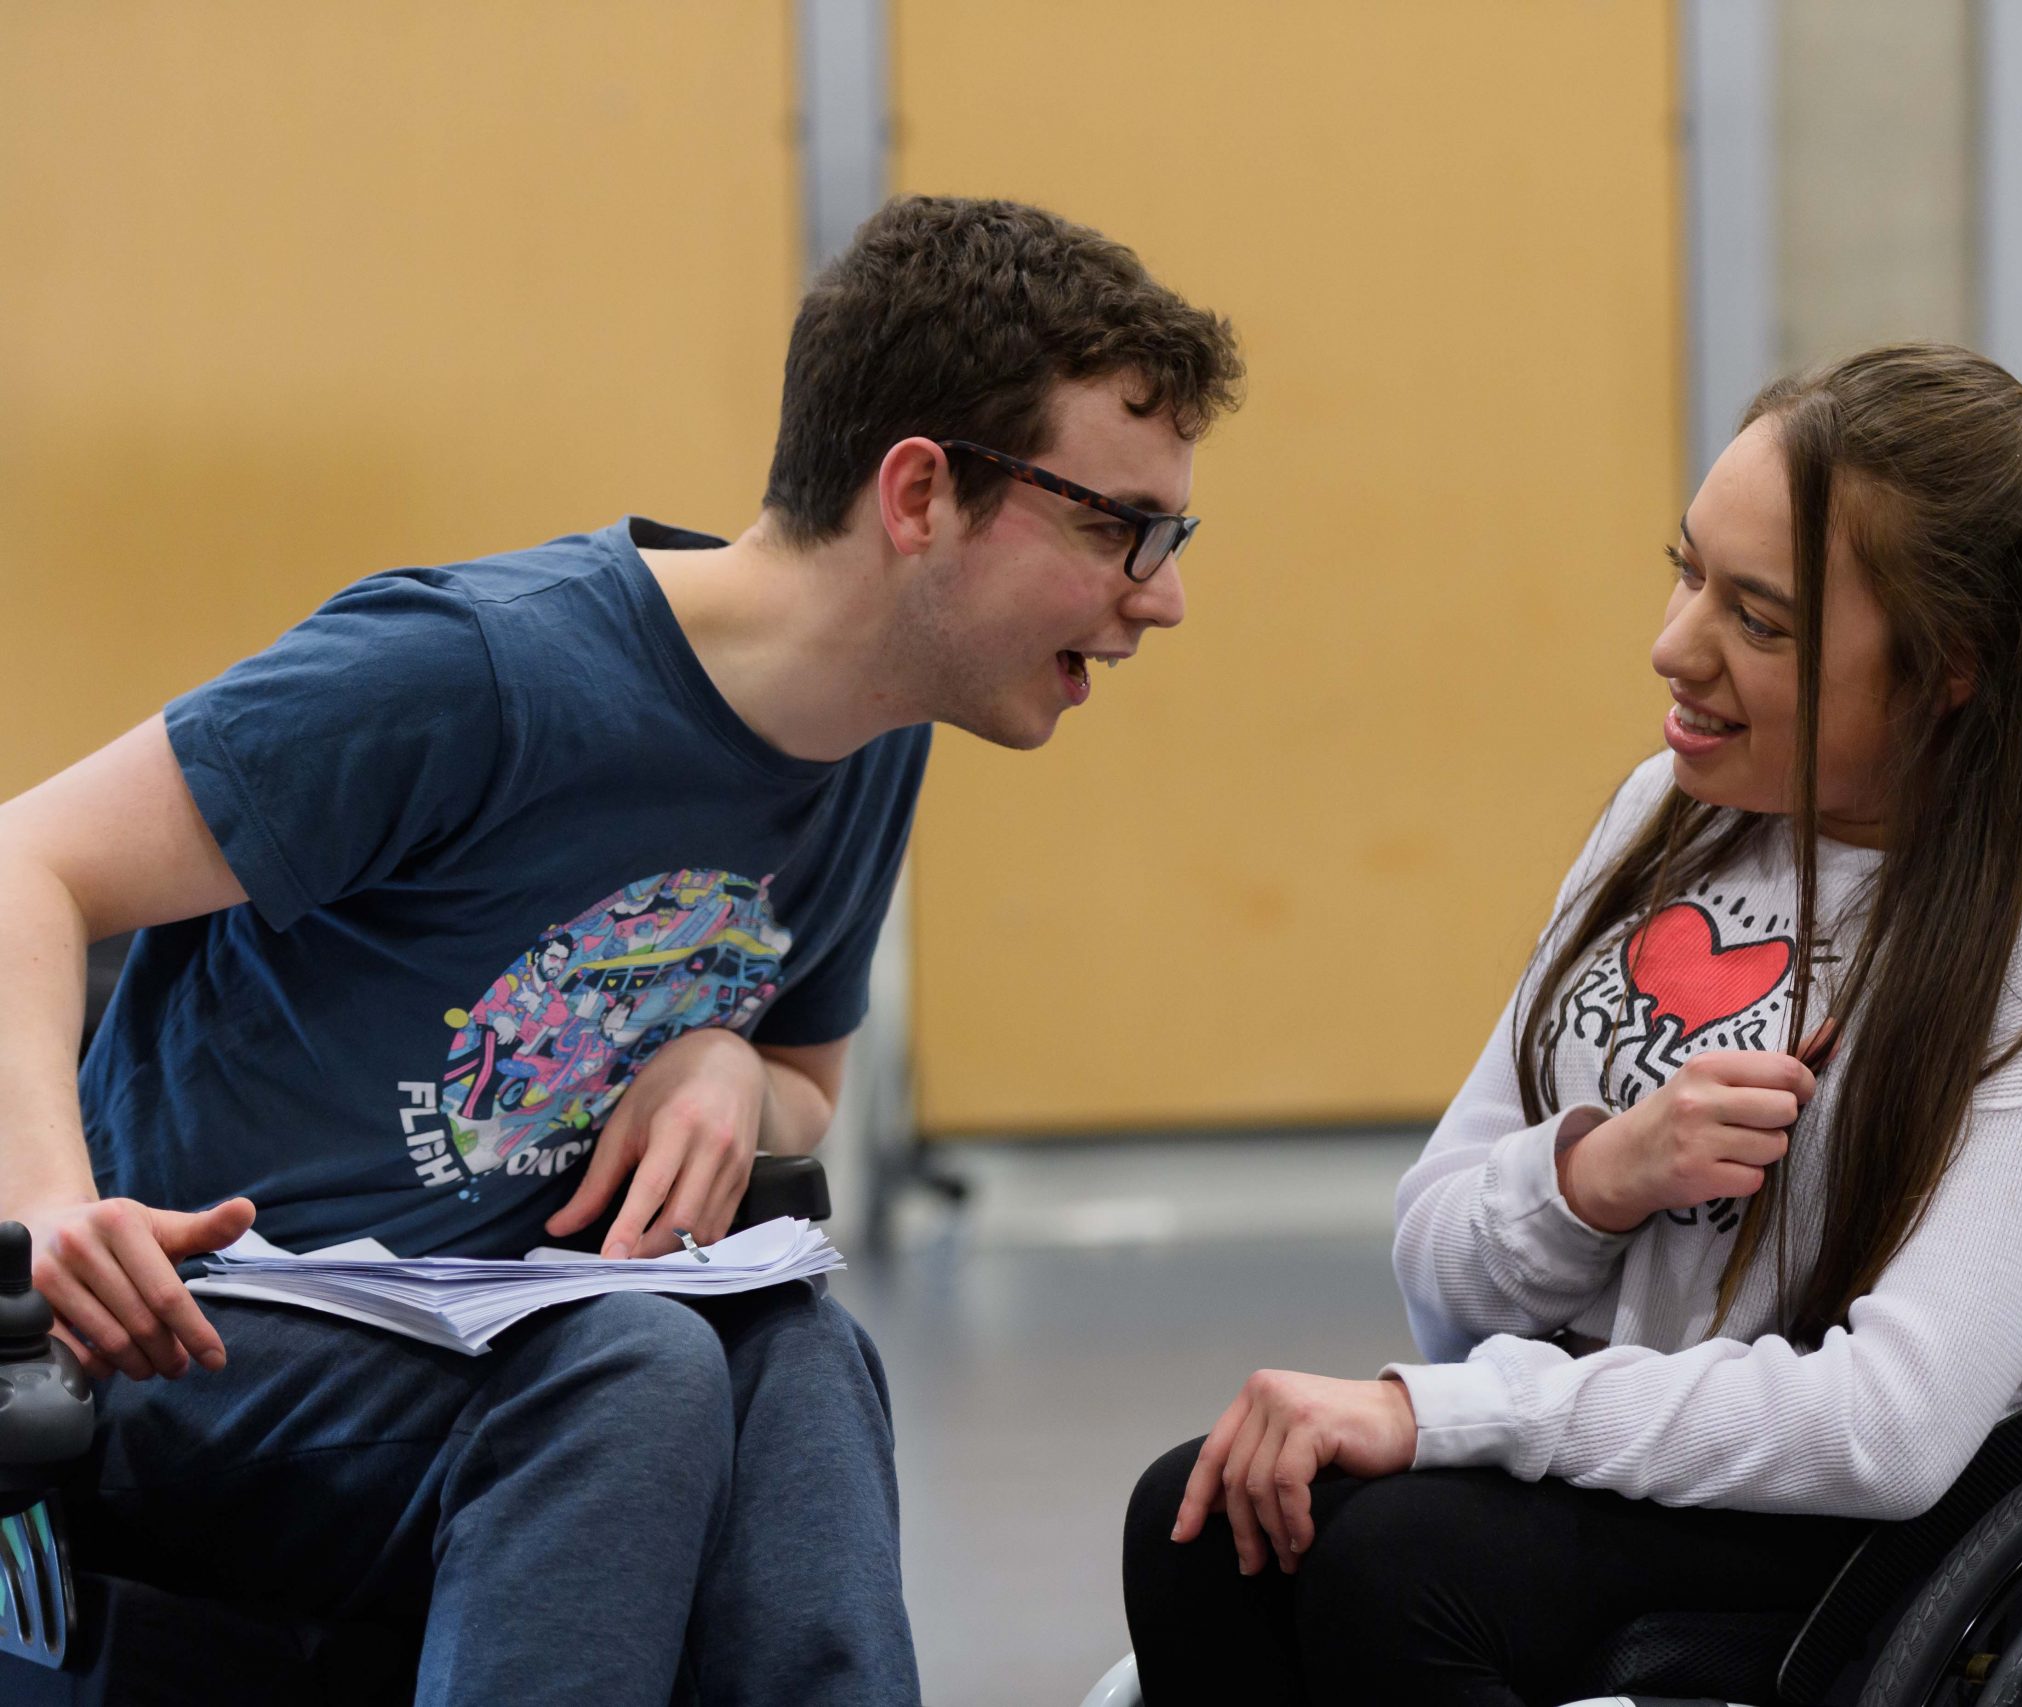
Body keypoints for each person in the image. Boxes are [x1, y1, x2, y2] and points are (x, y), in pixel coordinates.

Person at [0, 194, 1241, 1705]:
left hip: (510, 1340)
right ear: (919, 493)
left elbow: (802, 1088)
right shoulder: (473, 669)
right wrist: (51, 1210)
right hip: (186, 1345)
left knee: (801, 1363)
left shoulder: (871, 744)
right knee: (633, 1373)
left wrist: (729, 1065)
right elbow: (25, 860)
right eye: (1118, 526)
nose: (1161, 594)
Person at [1121, 343, 2022, 1707]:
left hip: (1886, 1538)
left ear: (1953, 668)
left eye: (1761, 621)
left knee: (1394, 1569)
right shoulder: (1668, 815)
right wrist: (1594, 1181)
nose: (1674, 646)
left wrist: (1456, 1416)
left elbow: (1888, 1430)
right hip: (1647, 1451)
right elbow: (1439, 1277)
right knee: (1202, 1525)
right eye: (1688, 572)